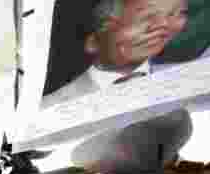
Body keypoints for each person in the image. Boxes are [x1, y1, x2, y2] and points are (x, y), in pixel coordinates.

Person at [42, 0, 189, 108]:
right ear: (93, 41)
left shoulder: (188, 82)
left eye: (175, 14)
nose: (161, 26)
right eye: (143, 18)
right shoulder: (50, 107)